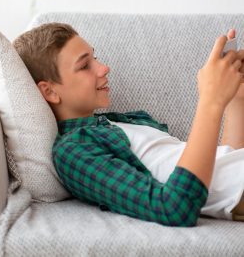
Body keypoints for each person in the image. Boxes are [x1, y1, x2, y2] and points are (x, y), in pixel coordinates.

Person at [13, 23, 244, 227]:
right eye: (85, 66)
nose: (103, 68)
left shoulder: (126, 121)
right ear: (49, 90)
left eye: (95, 57)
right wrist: (210, 101)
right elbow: (174, 208)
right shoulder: (73, 151)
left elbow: (221, 172)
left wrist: (235, 100)